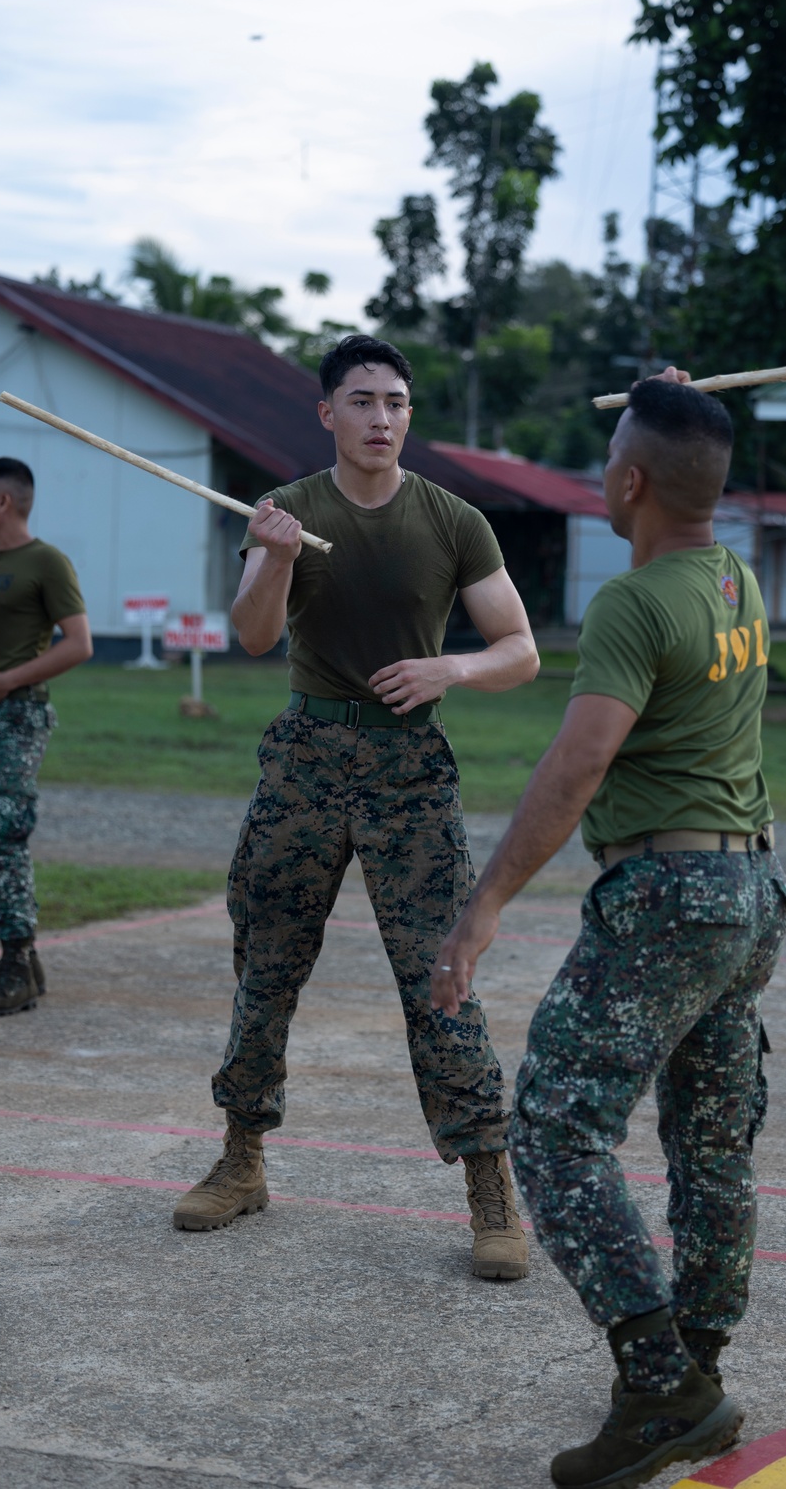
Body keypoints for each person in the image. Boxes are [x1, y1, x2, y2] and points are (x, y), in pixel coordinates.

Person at [431, 374, 786, 1488]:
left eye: (613, 457)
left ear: (628, 479)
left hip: (669, 900)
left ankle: (659, 1384)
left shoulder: (633, 607)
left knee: (551, 1125)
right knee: (710, 1139)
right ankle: (699, 1358)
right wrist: (664, 403)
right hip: (750, 896)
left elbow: (579, 761)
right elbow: (681, 481)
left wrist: (484, 900)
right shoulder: (733, 578)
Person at [173, 335, 538, 1281]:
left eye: (397, 403)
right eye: (363, 401)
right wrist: (277, 559)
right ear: (327, 413)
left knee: (442, 974)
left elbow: (520, 650)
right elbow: (253, 636)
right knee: (268, 964)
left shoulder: (453, 520)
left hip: (409, 766)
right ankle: (242, 1159)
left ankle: (490, 1191)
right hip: (305, 756)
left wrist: (448, 665)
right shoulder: (286, 511)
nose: (382, 419)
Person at [0, 458, 92, 1018]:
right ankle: (20, 961)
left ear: (4, 503)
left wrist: (8, 679)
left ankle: (16, 962)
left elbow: (79, 643)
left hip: (15, 715)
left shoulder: (46, 562)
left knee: (5, 833)